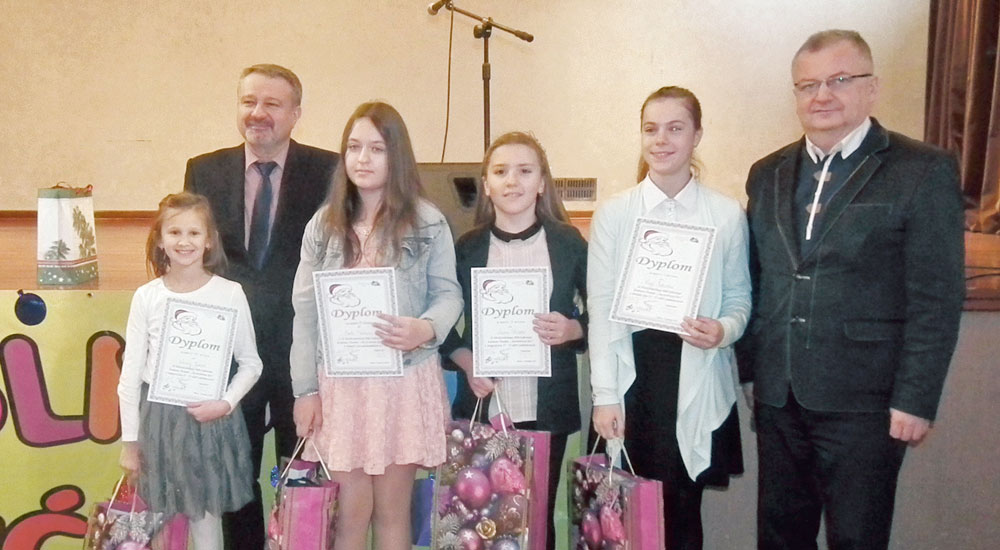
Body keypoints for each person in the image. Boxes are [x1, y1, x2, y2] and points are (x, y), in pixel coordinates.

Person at [739, 30, 965, 550]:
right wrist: (751, 371)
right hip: (779, 398)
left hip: (867, 405)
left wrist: (916, 399)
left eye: (840, 80)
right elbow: (756, 278)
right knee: (778, 538)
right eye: (808, 85)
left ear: (872, 88)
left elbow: (936, 298)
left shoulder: (922, 170)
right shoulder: (766, 173)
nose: (822, 95)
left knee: (857, 539)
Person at [289, 101, 462, 550]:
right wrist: (304, 390)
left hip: (403, 383)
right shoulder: (322, 225)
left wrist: (426, 328)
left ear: (396, 156)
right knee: (349, 514)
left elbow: (449, 295)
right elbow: (305, 313)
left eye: (376, 149)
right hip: (339, 389)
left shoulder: (427, 221)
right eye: (353, 147)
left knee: (391, 512)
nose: (362, 159)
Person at [183, 63, 339, 549]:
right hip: (230, 353)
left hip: (302, 351)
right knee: (235, 474)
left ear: (296, 113)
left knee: (303, 473)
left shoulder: (330, 171)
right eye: (249, 101)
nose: (258, 113)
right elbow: (193, 254)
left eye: (272, 103)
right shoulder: (204, 170)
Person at [588, 86, 751, 550]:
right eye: (651, 129)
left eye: (675, 128)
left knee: (683, 511)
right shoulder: (614, 214)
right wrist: (605, 395)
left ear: (697, 136)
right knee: (627, 516)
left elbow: (740, 298)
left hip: (694, 373)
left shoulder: (725, 214)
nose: (661, 140)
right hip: (632, 378)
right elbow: (600, 308)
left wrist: (723, 331)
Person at [441, 131, 588, 550]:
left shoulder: (568, 243)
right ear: (486, 184)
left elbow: (601, 313)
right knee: (481, 525)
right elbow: (441, 324)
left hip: (548, 408)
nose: (512, 181)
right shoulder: (467, 248)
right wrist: (467, 361)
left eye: (525, 171)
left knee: (537, 522)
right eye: (501, 171)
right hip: (483, 406)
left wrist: (573, 329)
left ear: (542, 182)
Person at [118, 192, 262, 550]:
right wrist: (130, 443)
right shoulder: (147, 296)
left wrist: (225, 403)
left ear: (209, 239)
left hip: (210, 422)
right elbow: (130, 378)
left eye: (194, 233)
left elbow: (251, 363)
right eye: (175, 232)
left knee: (206, 523)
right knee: (161, 526)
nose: (185, 242)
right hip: (159, 424)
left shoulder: (229, 294)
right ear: (160, 240)